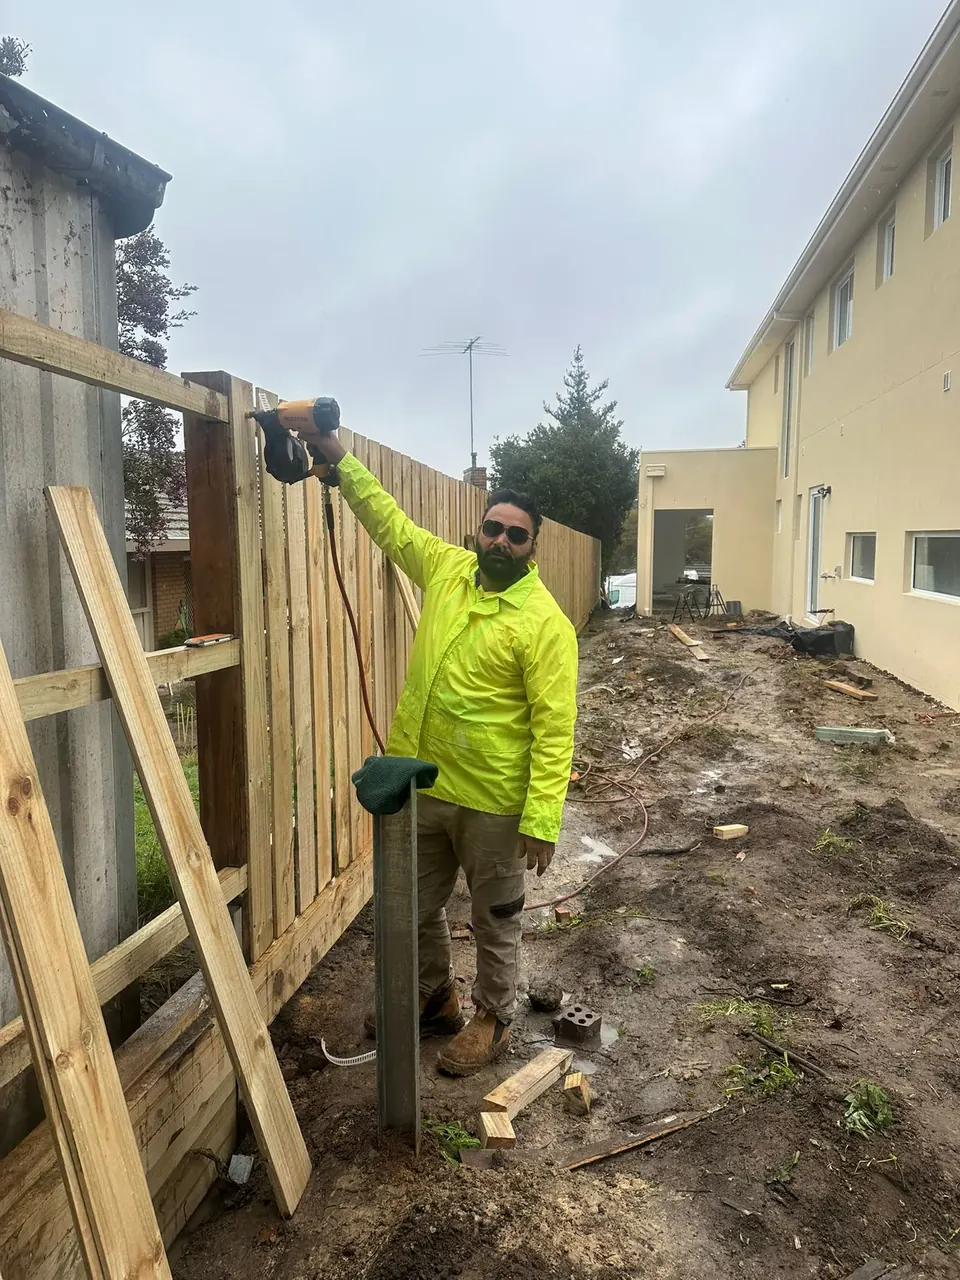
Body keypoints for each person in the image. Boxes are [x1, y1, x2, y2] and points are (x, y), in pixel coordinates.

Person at [304, 425, 579, 1076]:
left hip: (492, 803)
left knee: (495, 918)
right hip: (424, 787)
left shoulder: (544, 623)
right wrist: (339, 462)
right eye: (494, 528)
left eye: (516, 534)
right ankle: (435, 999)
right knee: (410, 907)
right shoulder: (450, 572)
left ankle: (493, 1018)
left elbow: (555, 725)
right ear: (477, 532)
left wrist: (541, 822)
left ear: (533, 547)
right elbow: (390, 523)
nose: (501, 541)